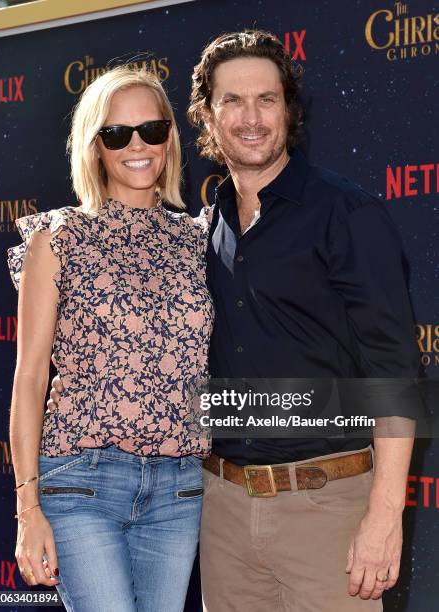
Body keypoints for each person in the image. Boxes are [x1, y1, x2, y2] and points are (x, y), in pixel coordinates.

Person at [186, 31, 420, 611]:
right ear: (207, 116)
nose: (251, 118)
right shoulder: (205, 226)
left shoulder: (346, 213)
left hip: (328, 509)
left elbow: (394, 372)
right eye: (232, 102)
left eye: (267, 99)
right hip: (223, 514)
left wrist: (385, 516)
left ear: (289, 109)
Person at [8, 65, 213, 612]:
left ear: (171, 136)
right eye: (117, 134)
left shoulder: (199, 240)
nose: (137, 145)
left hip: (180, 489)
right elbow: (29, 377)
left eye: (152, 129)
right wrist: (28, 508)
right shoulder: (57, 239)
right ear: (94, 146)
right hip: (81, 483)